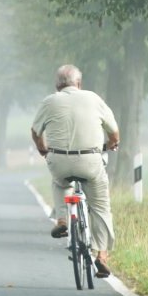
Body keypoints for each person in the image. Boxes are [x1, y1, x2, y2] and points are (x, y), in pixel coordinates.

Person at [30, 63, 120, 278]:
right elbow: (114, 131)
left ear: (57, 85)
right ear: (78, 83)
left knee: (60, 181)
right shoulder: (93, 98)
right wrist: (112, 143)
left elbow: (35, 131)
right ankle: (102, 256)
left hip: (59, 159)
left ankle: (62, 220)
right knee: (100, 207)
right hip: (90, 159)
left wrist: (43, 149)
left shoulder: (49, 101)